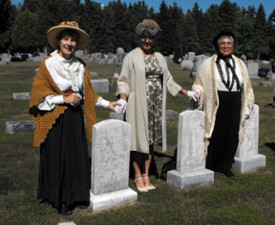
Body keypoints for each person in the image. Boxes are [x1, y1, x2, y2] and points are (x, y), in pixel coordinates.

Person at [29, 21, 120, 215]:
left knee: (75, 158)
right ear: (59, 41)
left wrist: (108, 104)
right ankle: (59, 198)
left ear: (76, 44)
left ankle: (76, 196)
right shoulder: (48, 64)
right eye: (65, 39)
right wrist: (64, 98)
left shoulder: (80, 65)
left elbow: (88, 94)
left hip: (75, 117)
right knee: (58, 157)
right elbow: (37, 97)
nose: (69, 43)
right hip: (55, 117)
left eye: (73, 40)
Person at [115, 19, 197, 192]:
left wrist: (186, 92)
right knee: (137, 141)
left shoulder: (159, 57)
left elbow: (168, 80)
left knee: (150, 142)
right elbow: (123, 81)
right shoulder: (131, 57)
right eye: (144, 37)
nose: (147, 41)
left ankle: (146, 173)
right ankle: (137, 174)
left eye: (150, 38)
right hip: (137, 105)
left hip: (156, 106)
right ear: (139, 37)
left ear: (154, 40)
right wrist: (122, 99)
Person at [192, 31, 254, 178]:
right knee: (215, 132)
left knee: (232, 134)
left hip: (235, 101)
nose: (226, 46)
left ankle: (226, 166)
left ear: (233, 45)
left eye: (229, 43)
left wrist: (248, 101)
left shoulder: (240, 64)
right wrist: (197, 91)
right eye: (222, 43)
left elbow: (247, 85)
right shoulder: (207, 64)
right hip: (216, 101)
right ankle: (211, 164)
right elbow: (199, 83)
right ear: (217, 45)